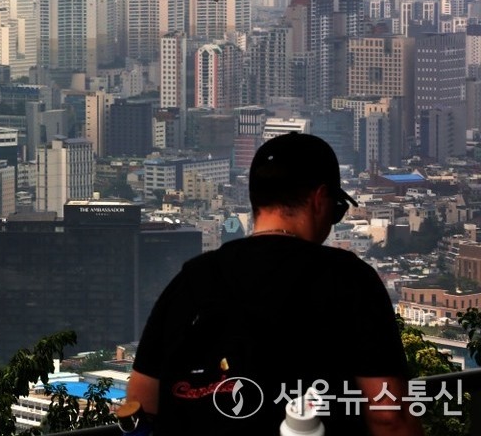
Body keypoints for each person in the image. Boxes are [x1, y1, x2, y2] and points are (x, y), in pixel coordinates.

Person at [126, 132, 424, 435]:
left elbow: (139, 399)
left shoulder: (193, 278)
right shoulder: (350, 279)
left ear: (256, 200)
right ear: (320, 200)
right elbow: (390, 417)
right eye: (337, 210)